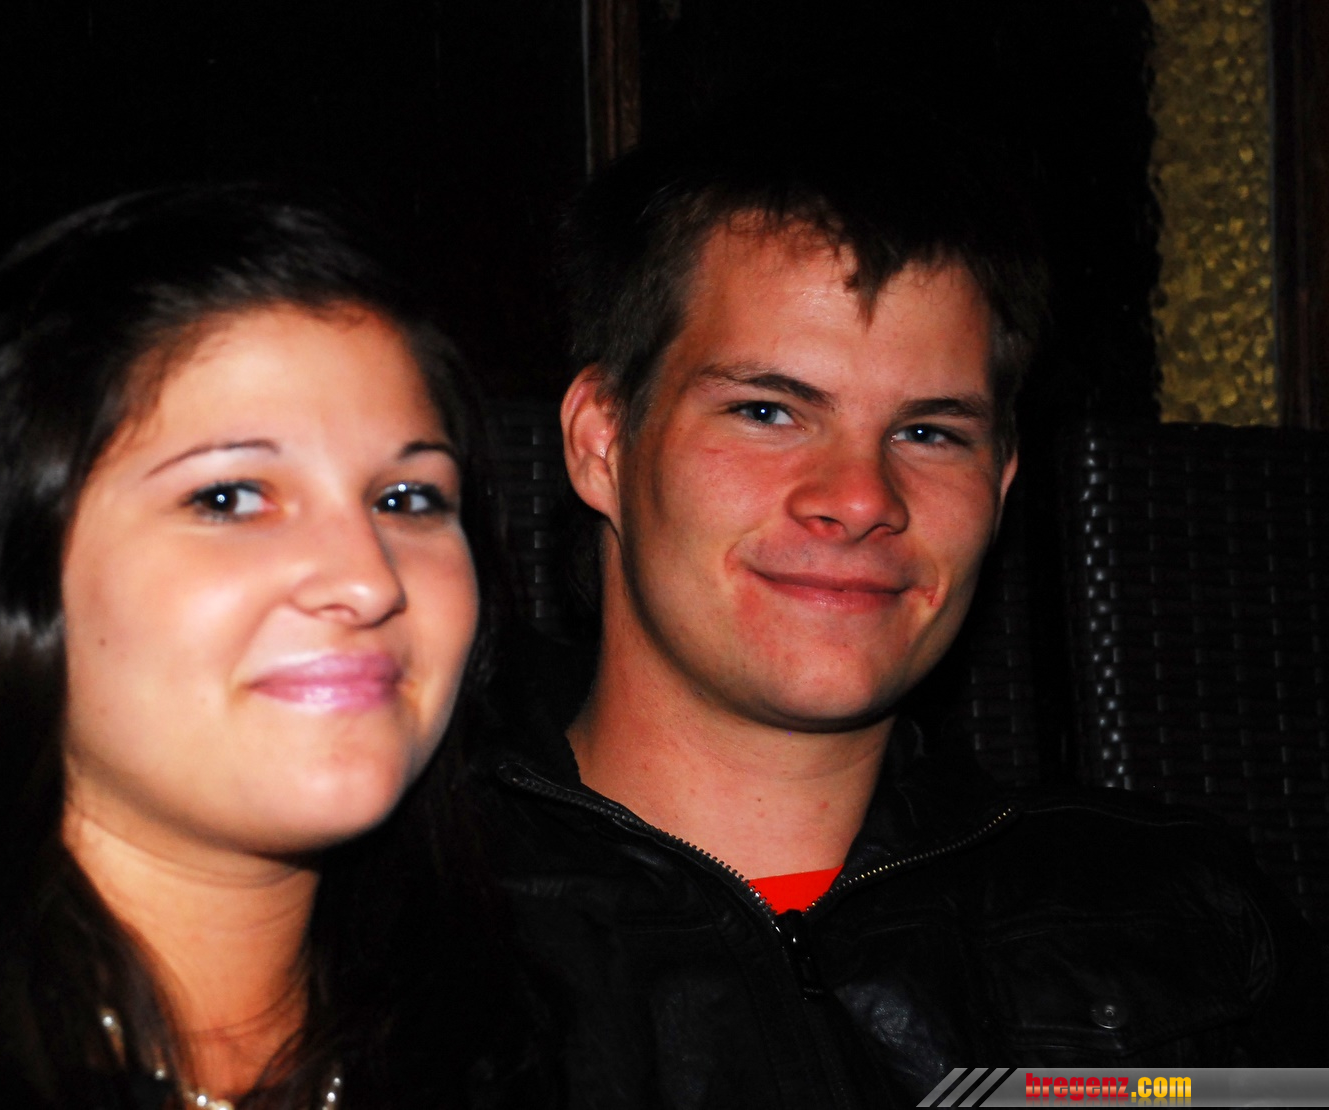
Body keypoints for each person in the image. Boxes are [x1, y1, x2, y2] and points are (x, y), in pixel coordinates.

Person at [480, 106, 1327, 1108]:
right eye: (768, 411)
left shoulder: (1184, 920)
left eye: (929, 432)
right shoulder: (403, 936)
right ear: (603, 442)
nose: (860, 497)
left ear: (1001, 483)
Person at [0, 185, 552, 1109]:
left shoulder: (570, 1018)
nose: (368, 580)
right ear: (6, 562)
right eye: (230, 497)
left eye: (408, 500)